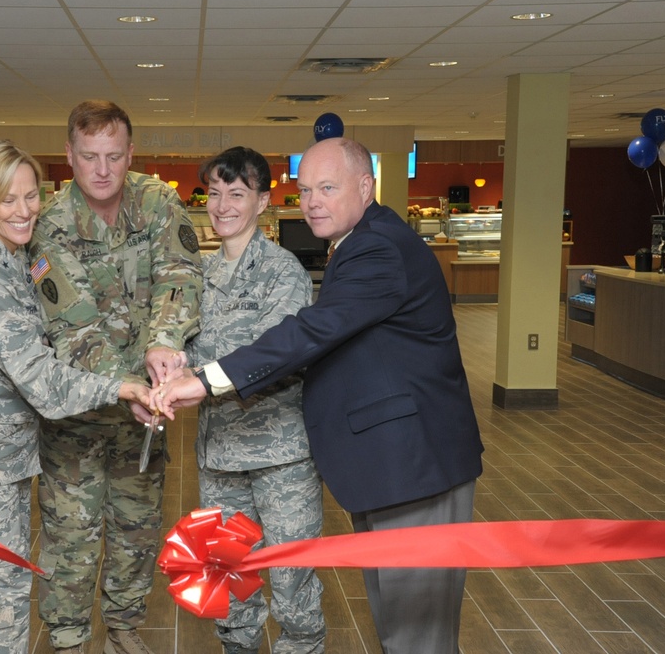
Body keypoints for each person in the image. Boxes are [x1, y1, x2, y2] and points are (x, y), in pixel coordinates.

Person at [156, 137, 485, 654]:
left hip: (413, 464)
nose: (311, 202)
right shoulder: (358, 243)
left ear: (365, 185)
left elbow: (310, 334)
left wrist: (204, 380)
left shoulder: (376, 247)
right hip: (385, 465)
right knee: (399, 623)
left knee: (416, 629)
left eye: (327, 188)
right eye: (306, 189)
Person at [0, 139, 152, 654]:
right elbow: (39, 379)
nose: (25, 211)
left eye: (31, 196)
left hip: (0, 460)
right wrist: (121, 385)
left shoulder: (11, 257)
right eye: (8, 200)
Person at [28, 100, 202, 654]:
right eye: (89, 157)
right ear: (69, 156)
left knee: (137, 527)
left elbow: (181, 271)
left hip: (145, 412)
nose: (102, 171)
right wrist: (127, 387)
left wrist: (165, 343)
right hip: (76, 414)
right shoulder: (49, 225)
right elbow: (73, 326)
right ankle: (70, 638)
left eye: (113, 156)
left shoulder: (158, 201)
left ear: (131, 154)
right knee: (71, 533)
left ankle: (124, 629)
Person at [187, 146, 325, 654]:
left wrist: (197, 377)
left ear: (263, 202)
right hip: (220, 455)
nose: (222, 206)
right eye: (215, 194)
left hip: (279, 456)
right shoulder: (198, 275)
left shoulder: (282, 272)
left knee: (292, 583)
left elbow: (277, 358)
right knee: (231, 578)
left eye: (237, 194)